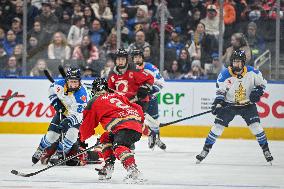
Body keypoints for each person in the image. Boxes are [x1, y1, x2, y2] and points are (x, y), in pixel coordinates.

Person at [195, 50, 274, 164]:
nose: (236, 64)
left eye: (238, 62)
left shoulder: (252, 72)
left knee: (256, 127)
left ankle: (266, 150)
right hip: (229, 105)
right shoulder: (225, 74)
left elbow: (263, 83)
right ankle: (205, 150)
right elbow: (220, 92)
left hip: (247, 105)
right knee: (217, 127)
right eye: (234, 62)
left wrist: (258, 91)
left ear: (243, 63)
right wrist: (218, 103)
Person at [79, 78, 146, 183]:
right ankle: (109, 167)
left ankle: (133, 171)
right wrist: (140, 122)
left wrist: (81, 138)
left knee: (119, 146)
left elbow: (88, 123)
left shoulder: (94, 101)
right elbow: (137, 107)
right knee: (105, 137)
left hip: (124, 127)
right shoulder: (118, 96)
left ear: (94, 91)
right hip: (133, 126)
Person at [32, 67, 90, 165]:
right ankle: (40, 149)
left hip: (75, 117)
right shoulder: (59, 84)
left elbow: (79, 115)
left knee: (72, 136)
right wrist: (56, 103)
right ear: (66, 80)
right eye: (71, 81)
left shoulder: (82, 95)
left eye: (76, 82)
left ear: (80, 81)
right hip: (62, 113)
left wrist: (69, 121)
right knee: (51, 136)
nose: (74, 84)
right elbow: (51, 90)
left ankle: (59, 153)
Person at [131, 49, 166, 150]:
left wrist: (149, 92)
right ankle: (132, 142)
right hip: (136, 100)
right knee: (134, 120)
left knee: (154, 120)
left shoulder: (150, 68)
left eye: (139, 57)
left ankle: (157, 139)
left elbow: (161, 83)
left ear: (142, 58)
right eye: (135, 57)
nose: (137, 59)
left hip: (150, 98)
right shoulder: (129, 70)